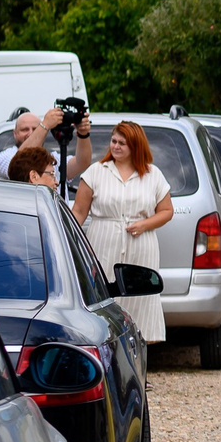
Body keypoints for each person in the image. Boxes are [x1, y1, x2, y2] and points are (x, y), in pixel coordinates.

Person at [72, 120, 174, 341]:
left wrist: (145, 224)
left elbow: (166, 211)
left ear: (135, 147)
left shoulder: (152, 174)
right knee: (105, 297)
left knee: (140, 298)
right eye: (114, 141)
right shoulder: (96, 172)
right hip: (103, 243)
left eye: (122, 143)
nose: (116, 146)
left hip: (141, 247)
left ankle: (142, 358)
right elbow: (79, 212)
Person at [0, 104, 88, 185]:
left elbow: (82, 163)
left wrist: (83, 134)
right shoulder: (2, 158)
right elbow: (20, 163)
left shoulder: (52, 159)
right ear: (15, 133)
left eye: (35, 129)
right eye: (24, 129)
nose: (30, 134)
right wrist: (45, 124)